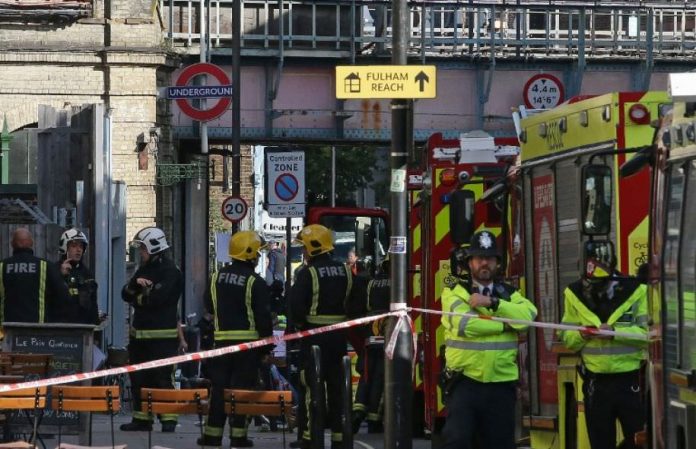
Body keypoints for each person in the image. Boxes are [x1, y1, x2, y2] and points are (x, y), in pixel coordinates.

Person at [440, 230, 537, 449]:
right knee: (457, 441)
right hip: (465, 382)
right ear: (470, 263)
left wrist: (493, 303)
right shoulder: (455, 293)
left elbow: (529, 317)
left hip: (501, 385)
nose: (485, 263)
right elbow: (466, 325)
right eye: (479, 258)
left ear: (497, 263)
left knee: (499, 444)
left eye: (490, 258)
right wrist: (505, 323)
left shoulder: (509, 294)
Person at [560, 242, 648, 449]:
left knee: (640, 442)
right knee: (600, 443)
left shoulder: (636, 291)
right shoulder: (574, 294)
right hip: (595, 384)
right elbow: (566, 337)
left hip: (631, 380)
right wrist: (581, 334)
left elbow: (648, 335)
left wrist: (615, 333)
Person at [197, 230, 273, 448]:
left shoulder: (216, 278)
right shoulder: (254, 282)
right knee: (241, 392)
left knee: (219, 391)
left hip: (220, 346)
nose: (259, 257)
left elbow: (210, 307)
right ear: (248, 254)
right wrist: (266, 349)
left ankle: (212, 436)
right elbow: (263, 319)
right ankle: (238, 437)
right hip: (247, 348)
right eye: (257, 254)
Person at [289, 224, 353, 449]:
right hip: (338, 340)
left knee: (311, 389)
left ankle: (309, 438)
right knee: (338, 389)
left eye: (305, 249)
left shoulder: (308, 273)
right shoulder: (345, 271)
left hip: (313, 340)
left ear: (314, 248)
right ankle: (339, 439)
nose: (303, 253)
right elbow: (354, 305)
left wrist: (299, 326)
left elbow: (296, 305)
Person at [120, 226, 183, 433]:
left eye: (143, 249)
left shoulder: (171, 272)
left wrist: (138, 297)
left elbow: (155, 300)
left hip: (162, 339)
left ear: (155, 248)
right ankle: (142, 419)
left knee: (162, 378)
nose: (141, 253)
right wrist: (135, 284)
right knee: (139, 379)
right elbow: (125, 295)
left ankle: (168, 419)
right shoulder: (143, 270)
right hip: (139, 338)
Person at [348, 256, 390, 434]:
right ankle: (374, 419)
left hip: (370, 332)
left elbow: (365, 306)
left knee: (367, 374)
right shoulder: (399, 281)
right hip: (389, 330)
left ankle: (358, 410)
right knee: (381, 376)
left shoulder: (372, 283)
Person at [0, 227, 72, 324]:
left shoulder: (2, 266)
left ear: (12, 244)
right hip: (37, 332)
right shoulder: (45, 266)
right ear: (32, 243)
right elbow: (63, 297)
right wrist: (63, 276)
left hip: (6, 331)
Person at [58, 228, 99, 325]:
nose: (79, 250)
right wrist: (61, 276)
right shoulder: (54, 270)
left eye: (81, 246)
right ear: (65, 248)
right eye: (74, 246)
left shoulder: (87, 274)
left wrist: (96, 331)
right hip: (60, 328)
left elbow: (93, 305)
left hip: (83, 330)